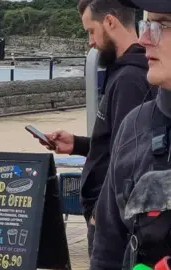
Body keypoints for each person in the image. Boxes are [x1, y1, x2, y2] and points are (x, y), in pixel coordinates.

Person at [34, 0, 155, 259]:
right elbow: (117, 141)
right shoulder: (121, 72)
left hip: (111, 223)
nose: (90, 41)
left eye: (91, 31)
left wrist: (103, 215)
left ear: (110, 22)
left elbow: (129, 160)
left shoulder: (129, 80)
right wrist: (76, 144)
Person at [91, 0, 171, 268]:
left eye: (163, 25)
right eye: (147, 24)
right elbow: (107, 249)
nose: (146, 38)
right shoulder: (134, 125)